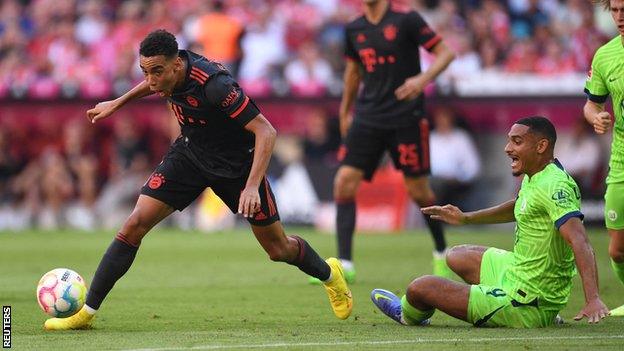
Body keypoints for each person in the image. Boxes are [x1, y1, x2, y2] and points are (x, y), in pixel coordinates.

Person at [43, 29, 352, 330]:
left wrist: (251, 186)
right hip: (190, 155)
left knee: (278, 249)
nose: (151, 80)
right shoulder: (165, 73)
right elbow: (151, 83)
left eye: (157, 72)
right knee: (134, 224)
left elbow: (266, 131)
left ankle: (330, 274)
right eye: (145, 71)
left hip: (236, 166)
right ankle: (87, 312)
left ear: (177, 64)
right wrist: (116, 102)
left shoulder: (215, 85)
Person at [370, 116, 609, 328]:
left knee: (420, 288)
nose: (507, 148)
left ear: (541, 146)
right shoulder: (537, 175)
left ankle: (408, 315)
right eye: (508, 141)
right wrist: (465, 218)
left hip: (527, 300)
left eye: (516, 142)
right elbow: (519, 206)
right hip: (519, 272)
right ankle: (531, 305)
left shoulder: (555, 185)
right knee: (457, 255)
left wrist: (593, 298)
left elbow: (579, 240)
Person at [332, 0, 455, 282]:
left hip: (405, 117)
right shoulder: (354, 28)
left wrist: (422, 81)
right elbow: (353, 72)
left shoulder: (407, 20)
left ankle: (441, 252)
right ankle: (345, 264)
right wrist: (344, 111)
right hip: (367, 116)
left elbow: (446, 53)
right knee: (344, 182)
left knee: (418, 190)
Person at [584, 0, 624, 317]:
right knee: (617, 249)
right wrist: (596, 117)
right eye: (615, 10)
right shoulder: (605, 55)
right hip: (622, 161)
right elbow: (592, 103)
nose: (620, 17)